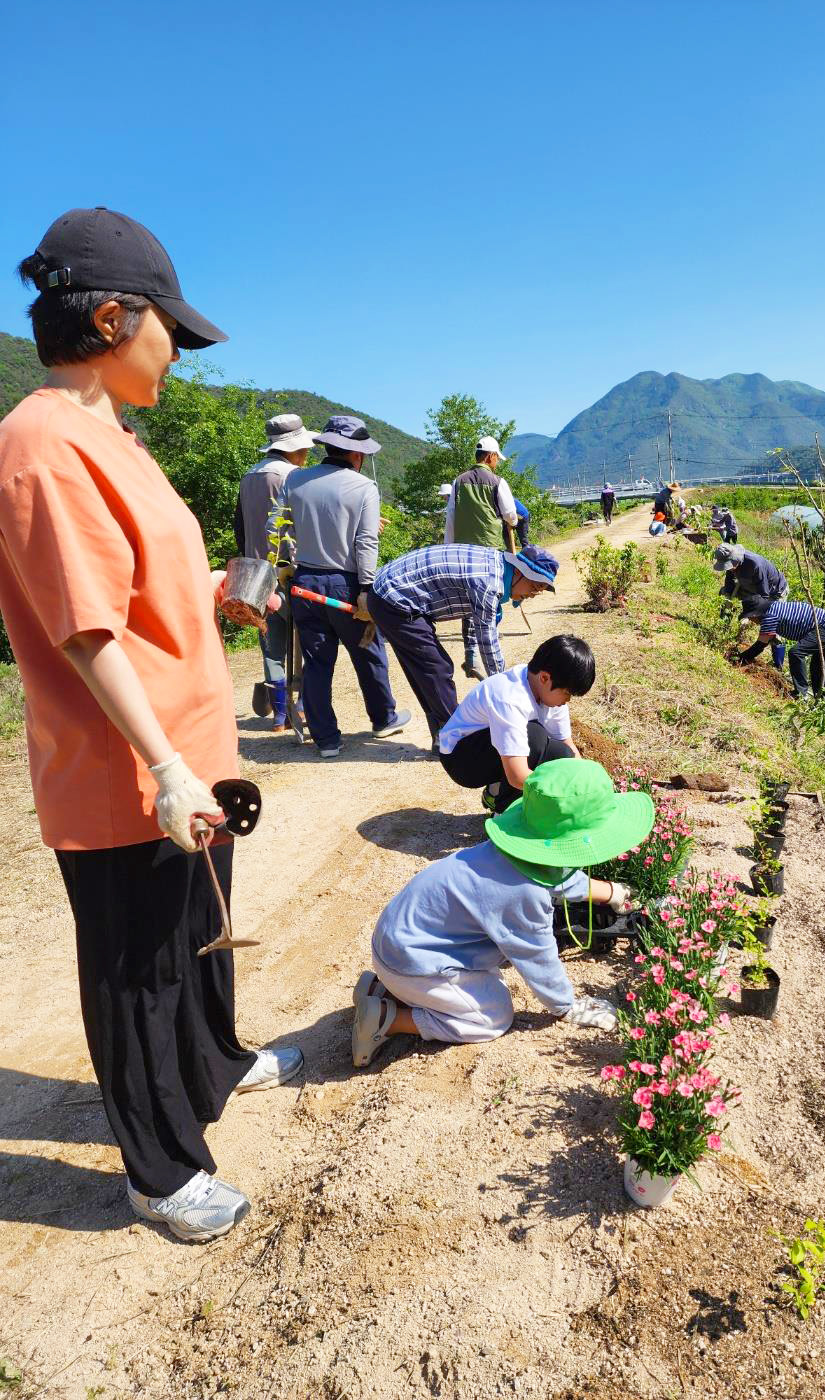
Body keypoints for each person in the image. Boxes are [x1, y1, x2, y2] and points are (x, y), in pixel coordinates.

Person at [0, 206, 302, 1243]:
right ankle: (159, 1170)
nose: (178, 351)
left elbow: (136, 587)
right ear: (114, 318)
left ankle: (213, 1064)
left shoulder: (113, 435)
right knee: (137, 969)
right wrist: (166, 765)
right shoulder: (42, 442)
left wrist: (218, 584)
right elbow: (87, 634)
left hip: (186, 758)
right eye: (170, 329)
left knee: (196, 938)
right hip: (129, 771)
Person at [350, 760, 653, 1064]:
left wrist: (609, 892)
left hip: (398, 944)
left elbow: (556, 874)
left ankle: (385, 989)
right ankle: (386, 1019)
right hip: (416, 963)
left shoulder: (509, 853)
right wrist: (566, 1006)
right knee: (492, 1017)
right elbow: (537, 954)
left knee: (460, 988)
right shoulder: (523, 894)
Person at [275, 415, 410, 758]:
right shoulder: (363, 488)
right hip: (346, 584)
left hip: (304, 581)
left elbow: (276, 527)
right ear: (357, 454)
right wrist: (367, 589)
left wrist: (284, 566)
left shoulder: (295, 480)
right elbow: (366, 542)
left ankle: (326, 740)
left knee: (317, 663)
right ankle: (383, 718)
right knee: (369, 652)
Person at [367, 544, 558, 751]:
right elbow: (487, 639)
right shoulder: (490, 582)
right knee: (437, 668)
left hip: (392, 595)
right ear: (520, 572)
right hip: (394, 598)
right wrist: (504, 686)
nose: (533, 594)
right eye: (534, 587)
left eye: (540, 590)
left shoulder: (498, 568)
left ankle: (443, 736)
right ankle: (455, 740)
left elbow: (471, 612)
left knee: (425, 670)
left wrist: (470, 653)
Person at [438, 634, 592, 813]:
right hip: (462, 759)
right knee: (534, 737)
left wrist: (584, 783)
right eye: (567, 693)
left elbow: (567, 745)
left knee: (561, 754)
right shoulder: (510, 698)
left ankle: (496, 790)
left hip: (491, 746)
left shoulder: (548, 689)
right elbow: (518, 776)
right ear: (544, 678)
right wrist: (560, 795)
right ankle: (503, 813)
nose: (568, 700)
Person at [234, 413, 317, 730]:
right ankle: (303, 707)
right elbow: (302, 527)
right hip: (289, 571)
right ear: (295, 448)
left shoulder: (249, 477)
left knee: (272, 649)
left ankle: (280, 716)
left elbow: (239, 528)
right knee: (312, 642)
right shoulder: (295, 476)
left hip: (254, 575)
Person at [444, 435, 519, 681]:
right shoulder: (498, 482)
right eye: (497, 458)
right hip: (489, 552)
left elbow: (451, 518)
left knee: (468, 603)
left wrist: (448, 549)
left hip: (463, 552)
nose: (497, 463)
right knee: (489, 602)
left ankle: (471, 654)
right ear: (490, 456)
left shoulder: (458, 482)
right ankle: (491, 654)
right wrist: (513, 521)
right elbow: (510, 515)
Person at [737, 598, 825, 700]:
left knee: (796, 653)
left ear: (755, 613)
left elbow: (760, 645)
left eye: (750, 617)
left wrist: (740, 658)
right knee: (818, 665)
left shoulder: (769, 616)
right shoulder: (773, 607)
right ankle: (822, 701)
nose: (751, 620)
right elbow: (766, 640)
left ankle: (801, 694)